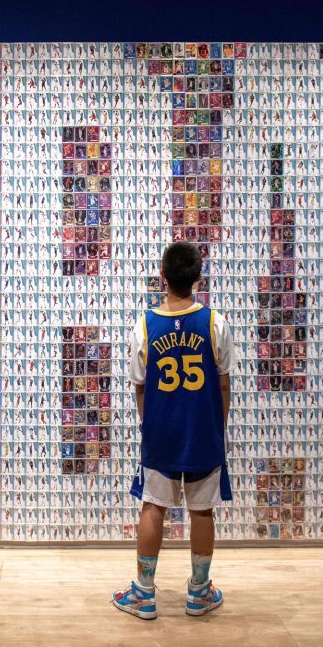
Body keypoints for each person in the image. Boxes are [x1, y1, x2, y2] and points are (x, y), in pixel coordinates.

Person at [112, 241, 234, 619]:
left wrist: (150, 425)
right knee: (202, 511)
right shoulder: (215, 322)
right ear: (198, 278)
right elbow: (224, 383)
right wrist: (218, 425)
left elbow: (139, 385)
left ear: (162, 276)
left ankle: (143, 593)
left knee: (153, 507)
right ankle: (198, 592)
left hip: (161, 432)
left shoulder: (145, 324)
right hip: (202, 431)